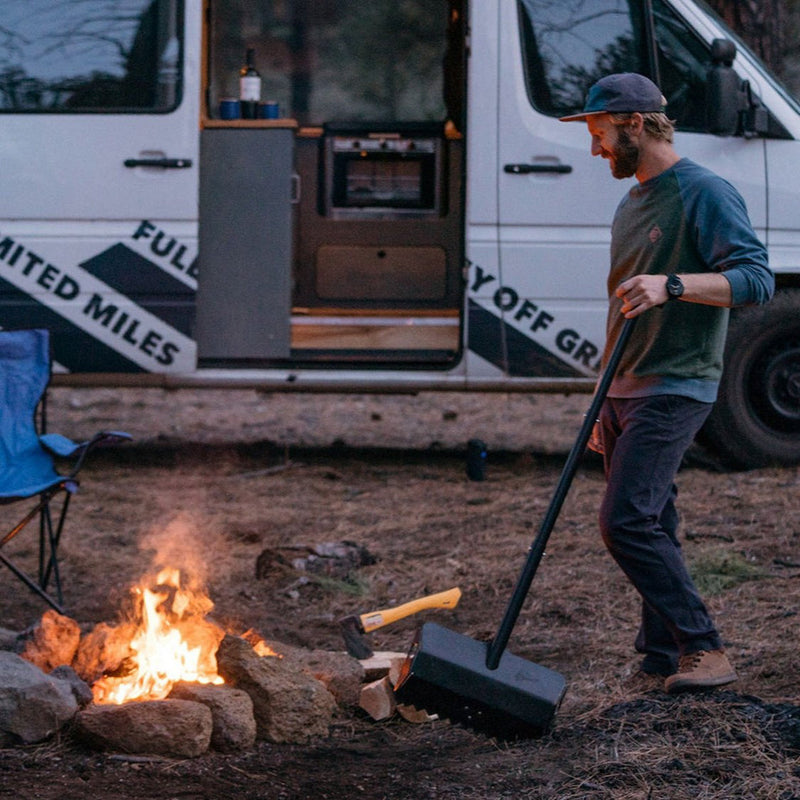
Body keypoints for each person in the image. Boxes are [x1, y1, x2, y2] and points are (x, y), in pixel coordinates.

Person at [560, 73, 774, 694]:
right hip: (627, 384)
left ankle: (705, 649)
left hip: (678, 381)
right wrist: (603, 397)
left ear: (632, 123)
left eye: (600, 134)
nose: (595, 149)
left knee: (624, 520)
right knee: (655, 519)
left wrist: (674, 284)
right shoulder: (633, 201)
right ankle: (661, 653)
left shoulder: (703, 191)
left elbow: (756, 280)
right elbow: (619, 306)